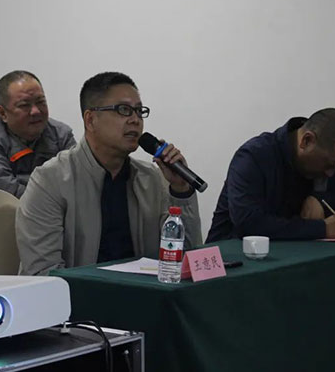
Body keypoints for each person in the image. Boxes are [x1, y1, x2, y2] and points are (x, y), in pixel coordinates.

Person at [16, 72, 202, 275]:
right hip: (77, 294)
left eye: (139, 111)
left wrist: (181, 190)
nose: (135, 120)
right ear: (90, 120)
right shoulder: (49, 181)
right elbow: (44, 273)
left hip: (143, 292)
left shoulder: (153, 179)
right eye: (124, 110)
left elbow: (187, 263)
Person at [206, 108, 335, 242]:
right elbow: (248, 223)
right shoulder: (253, 157)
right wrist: (321, 229)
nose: (331, 173)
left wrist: (320, 201)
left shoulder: (325, 164)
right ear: (307, 141)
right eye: (331, 165)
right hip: (230, 257)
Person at [0, 70, 76, 199]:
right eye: (24, 105)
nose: (36, 111)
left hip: (54, 208)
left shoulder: (61, 135)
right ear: (3, 113)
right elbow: (8, 195)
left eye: (40, 102)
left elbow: (78, 182)